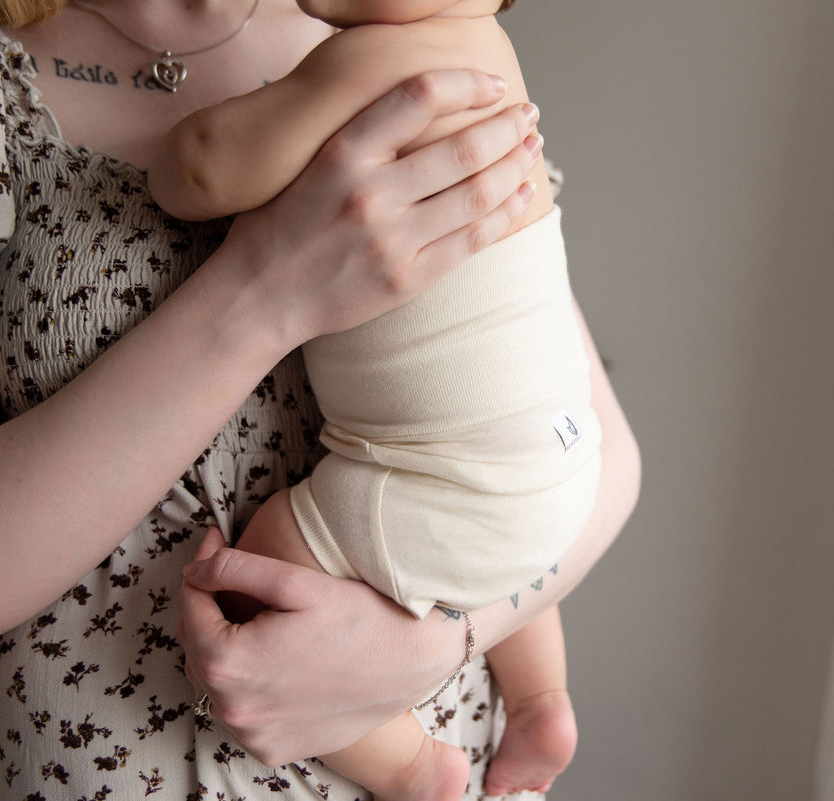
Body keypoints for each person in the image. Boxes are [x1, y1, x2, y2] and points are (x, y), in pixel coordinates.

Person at [0, 1, 641, 801]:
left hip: (454, 758)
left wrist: (441, 642)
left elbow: (600, 449)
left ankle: (416, 755)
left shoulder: (390, 35)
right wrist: (267, 289)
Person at [149, 1, 594, 798]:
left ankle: (413, 766)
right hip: (563, 457)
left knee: (258, 580)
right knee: (492, 543)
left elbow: (207, 168)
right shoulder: (491, 57)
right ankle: (539, 702)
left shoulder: (382, 58)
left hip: (452, 479)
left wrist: (170, 152)